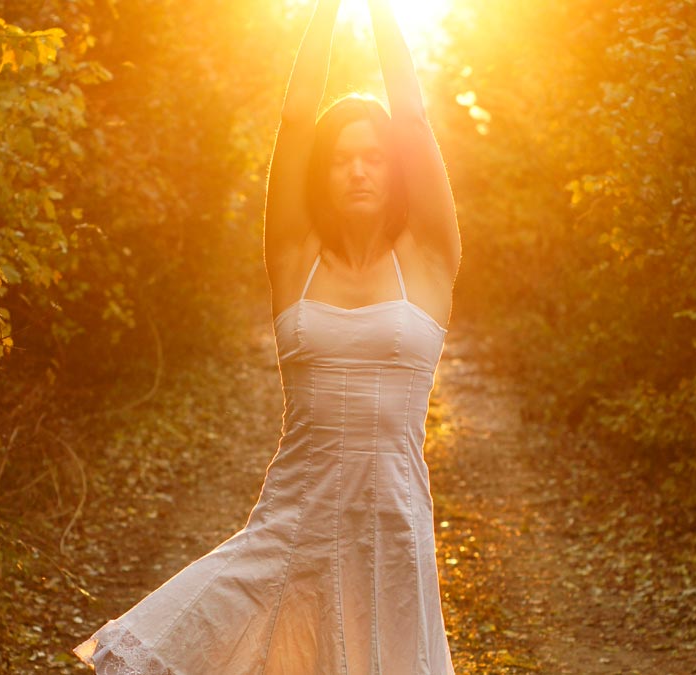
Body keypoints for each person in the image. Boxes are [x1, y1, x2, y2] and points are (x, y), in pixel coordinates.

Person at [72, 0, 460, 672]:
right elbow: (294, 120)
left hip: (393, 527)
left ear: (395, 167)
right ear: (324, 173)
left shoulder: (428, 261)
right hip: (293, 519)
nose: (359, 170)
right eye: (342, 159)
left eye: (373, 156)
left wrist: (381, 13)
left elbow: (415, 120)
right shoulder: (293, 258)